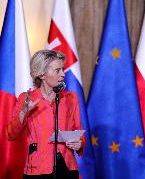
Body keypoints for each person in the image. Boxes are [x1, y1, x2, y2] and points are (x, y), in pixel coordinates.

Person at [6, 50, 85, 179]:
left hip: (67, 168)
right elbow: (10, 134)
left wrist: (80, 143)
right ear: (42, 74)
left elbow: (78, 129)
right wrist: (24, 112)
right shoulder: (27, 99)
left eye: (63, 69)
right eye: (57, 70)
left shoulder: (71, 98)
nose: (63, 74)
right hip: (38, 169)